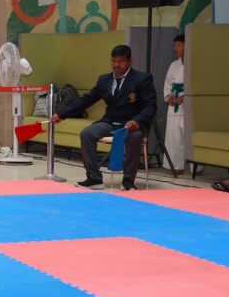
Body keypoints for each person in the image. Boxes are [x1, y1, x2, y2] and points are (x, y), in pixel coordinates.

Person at [51, 44, 157, 190]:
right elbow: (86, 100)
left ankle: (128, 181)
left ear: (130, 61)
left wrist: (137, 121)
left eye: (121, 61)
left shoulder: (142, 79)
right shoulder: (104, 80)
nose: (116, 65)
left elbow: (150, 106)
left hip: (132, 124)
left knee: (135, 137)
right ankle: (94, 178)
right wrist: (61, 114)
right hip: (110, 122)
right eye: (114, 61)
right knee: (87, 134)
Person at [162, 34, 186, 170]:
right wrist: (169, 97)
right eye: (174, 45)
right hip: (174, 104)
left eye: (179, 45)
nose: (175, 48)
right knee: (173, 136)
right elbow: (168, 84)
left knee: (187, 136)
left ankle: (196, 167)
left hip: (187, 105)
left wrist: (185, 97)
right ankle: (175, 166)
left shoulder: (195, 63)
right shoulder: (174, 65)